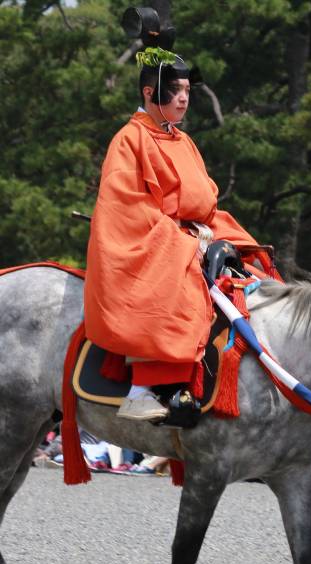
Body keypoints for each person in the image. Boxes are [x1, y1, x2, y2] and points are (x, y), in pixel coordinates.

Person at [85, 29, 274, 422]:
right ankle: (144, 389)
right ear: (150, 94)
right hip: (153, 237)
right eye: (175, 90)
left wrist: (210, 235)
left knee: (257, 266)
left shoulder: (182, 140)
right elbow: (127, 208)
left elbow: (204, 199)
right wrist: (189, 242)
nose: (185, 98)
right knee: (182, 276)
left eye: (188, 89)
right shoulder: (128, 140)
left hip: (198, 231)